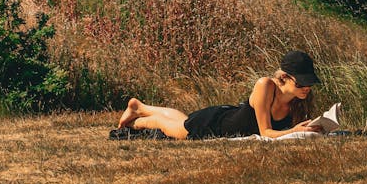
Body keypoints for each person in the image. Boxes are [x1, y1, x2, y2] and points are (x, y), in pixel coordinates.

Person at [111, 50, 322, 140]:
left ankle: (140, 107)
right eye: (302, 82)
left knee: (182, 120)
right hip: (214, 123)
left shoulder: (299, 99)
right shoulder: (265, 85)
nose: (307, 87)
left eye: (310, 82)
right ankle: (136, 120)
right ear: (285, 77)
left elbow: (293, 131)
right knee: (174, 128)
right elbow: (266, 132)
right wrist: (294, 130)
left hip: (227, 116)